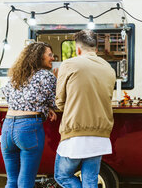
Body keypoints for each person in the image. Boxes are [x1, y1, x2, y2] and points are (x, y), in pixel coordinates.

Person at [54, 30, 116, 188]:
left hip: (76, 133)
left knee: (62, 176)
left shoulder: (69, 64)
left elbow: (60, 102)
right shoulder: (109, 68)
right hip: (100, 134)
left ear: (78, 49)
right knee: (90, 180)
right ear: (96, 49)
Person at [1, 42, 57, 188]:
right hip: (28, 127)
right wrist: (49, 106)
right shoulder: (46, 76)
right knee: (26, 181)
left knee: (12, 180)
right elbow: (56, 102)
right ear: (39, 57)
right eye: (49, 55)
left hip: (7, 127)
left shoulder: (16, 75)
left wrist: (44, 106)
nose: (52, 58)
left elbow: (7, 95)